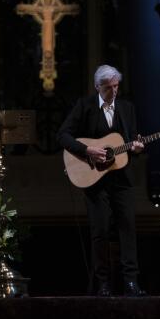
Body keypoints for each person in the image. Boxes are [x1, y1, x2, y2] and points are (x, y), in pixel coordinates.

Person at [57, 65, 146, 296]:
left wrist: (136, 147)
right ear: (98, 87)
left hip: (122, 179)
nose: (114, 92)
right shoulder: (84, 106)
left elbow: (130, 141)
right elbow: (63, 135)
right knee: (100, 231)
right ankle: (103, 283)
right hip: (95, 180)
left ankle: (130, 282)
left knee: (128, 229)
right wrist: (87, 150)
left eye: (117, 86)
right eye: (108, 88)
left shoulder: (127, 108)